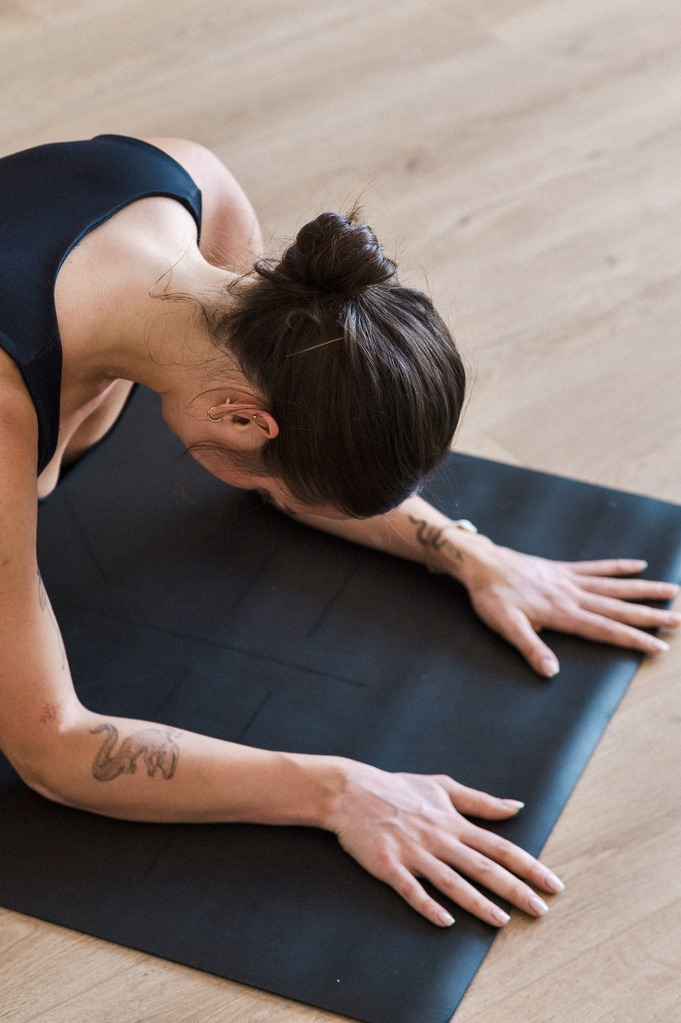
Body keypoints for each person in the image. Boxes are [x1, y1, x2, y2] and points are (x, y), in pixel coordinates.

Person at [0, 134, 677, 932]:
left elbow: (299, 425)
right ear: (241, 419)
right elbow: (55, 749)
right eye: (269, 472)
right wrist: (337, 791)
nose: (277, 493)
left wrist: (470, 553)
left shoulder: (188, 186)